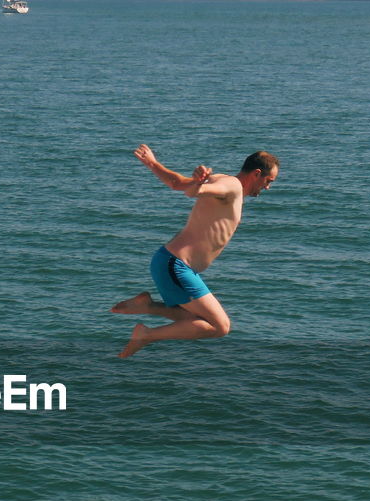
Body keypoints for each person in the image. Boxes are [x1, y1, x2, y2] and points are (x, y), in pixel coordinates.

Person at [112, 145, 279, 358]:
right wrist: (198, 187)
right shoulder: (231, 186)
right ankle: (145, 335)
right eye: (268, 181)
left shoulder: (223, 180)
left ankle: (148, 305)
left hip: (171, 263)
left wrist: (154, 164)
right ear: (257, 173)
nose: (267, 188)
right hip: (176, 265)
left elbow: (177, 184)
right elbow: (194, 191)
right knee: (220, 327)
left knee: (194, 320)